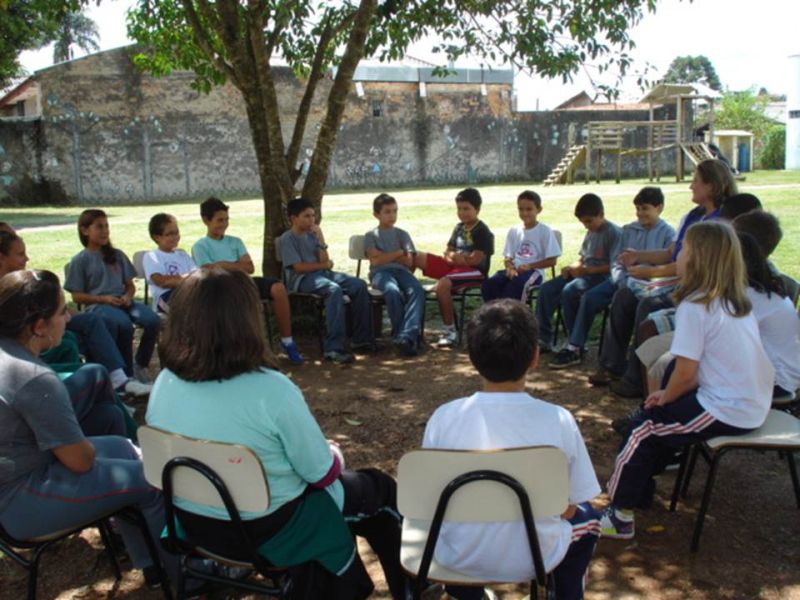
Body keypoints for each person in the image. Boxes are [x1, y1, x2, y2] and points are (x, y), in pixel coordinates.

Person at [146, 268, 406, 599]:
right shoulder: (271, 389)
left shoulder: (165, 381)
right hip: (270, 529)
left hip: (195, 524)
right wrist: (334, 453)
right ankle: (409, 588)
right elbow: (320, 473)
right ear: (246, 321)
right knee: (379, 491)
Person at [601, 221, 774, 539]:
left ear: (697, 260)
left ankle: (618, 514)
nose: (677, 255)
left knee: (644, 429)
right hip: (749, 401)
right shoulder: (732, 301)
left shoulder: (696, 307)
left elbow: (687, 373)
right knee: (656, 410)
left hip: (728, 408)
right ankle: (640, 489)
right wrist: (668, 394)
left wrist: (665, 397)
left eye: (683, 250)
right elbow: (704, 367)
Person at [0, 270, 173, 583]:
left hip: (18, 477)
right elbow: (80, 461)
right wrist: (90, 449)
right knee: (152, 480)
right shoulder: (35, 378)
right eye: (62, 311)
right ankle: (187, 577)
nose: (68, 319)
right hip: (19, 501)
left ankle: (151, 564)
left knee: (121, 445)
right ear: (38, 327)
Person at [422, 299, 601, 600]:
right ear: (535, 357)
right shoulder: (558, 420)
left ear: (472, 357)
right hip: (535, 556)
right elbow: (571, 505)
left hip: (457, 557)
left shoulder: (443, 417)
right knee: (589, 519)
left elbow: (431, 498)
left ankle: (466, 594)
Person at [592, 159, 736, 395]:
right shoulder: (693, 216)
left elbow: (693, 267)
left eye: (695, 181)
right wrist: (638, 256)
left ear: (711, 186)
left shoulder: (721, 223)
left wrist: (648, 272)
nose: (690, 186)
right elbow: (671, 254)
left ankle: (637, 379)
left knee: (647, 306)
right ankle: (612, 366)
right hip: (673, 283)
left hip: (695, 291)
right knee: (624, 296)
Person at [0, 228, 150, 398]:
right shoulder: (10, 288)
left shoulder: (20, 278)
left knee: (92, 322)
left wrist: (65, 314)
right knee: (72, 340)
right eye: (20, 254)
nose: (27, 258)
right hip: (24, 338)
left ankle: (118, 380)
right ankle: (101, 390)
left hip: (45, 323)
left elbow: (52, 306)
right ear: (1, 257)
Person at [550, 188, 674, 370]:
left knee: (606, 299)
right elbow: (617, 262)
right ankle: (575, 346)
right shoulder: (629, 231)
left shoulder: (668, 233)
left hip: (649, 284)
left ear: (659, 208)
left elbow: (666, 265)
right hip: (620, 281)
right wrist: (622, 281)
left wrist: (640, 279)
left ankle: (612, 359)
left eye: (645, 208)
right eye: (638, 209)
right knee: (582, 295)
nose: (640, 213)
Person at [192, 197, 304, 364]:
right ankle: (251, 348)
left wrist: (222, 264)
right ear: (206, 220)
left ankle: (287, 340)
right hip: (220, 287)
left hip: (243, 281)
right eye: (219, 220)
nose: (224, 224)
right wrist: (236, 265)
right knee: (241, 299)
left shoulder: (235, 241)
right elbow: (209, 270)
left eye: (226, 220)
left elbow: (249, 267)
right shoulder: (200, 246)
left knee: (278, 288)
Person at [64, 209, 161, 383]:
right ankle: (126, 375)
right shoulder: (80, 260)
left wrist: (128, 296)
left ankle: (140, 364)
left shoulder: (117, 255)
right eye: (99, 227)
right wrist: (103, 299)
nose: (105, 231)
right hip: (100, 305)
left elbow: (130, 285)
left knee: (152, 320)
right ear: (85, 230)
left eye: (107, 226)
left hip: (124, 301)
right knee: (123, 324)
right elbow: (76, 296)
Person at [279, 197, 375, 364]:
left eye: (313, 216)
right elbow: (298, 267)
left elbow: (326, 260)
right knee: (333, 290)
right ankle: (333, 348)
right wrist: (323, 264)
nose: (311, 220)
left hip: (322, 273)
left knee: (358, 285)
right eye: (306, 216)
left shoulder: (313, 234)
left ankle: (362, 339)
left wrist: (321, 240)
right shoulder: (287, 239)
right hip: (301, 279)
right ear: (294, 219)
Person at [536, 193, 621, 361]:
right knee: (547, 289)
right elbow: (583, 258)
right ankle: (543, 338)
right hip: (585, 274)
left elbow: (614, 266)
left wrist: (586, 271)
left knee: (570, 291)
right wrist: (571, 267)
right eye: (583, 222)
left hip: (601, 278)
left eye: (589, 221)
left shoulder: (614, 233)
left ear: (601, 214)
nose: (586, 226)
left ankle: (575, 345)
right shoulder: (591, 232)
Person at [414, 187, 494, 348]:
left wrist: (457, 259)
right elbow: (448, 251)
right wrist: (454, 258)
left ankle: (449, 331)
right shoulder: (459, 228)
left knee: (443, 285)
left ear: (477, 209)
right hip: (455, 267)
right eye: (459, 209)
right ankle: (409, 299)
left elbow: (476, 260)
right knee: (414, 256)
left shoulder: (482, 231)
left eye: (466, 209)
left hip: (475, 273)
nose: (462, 213)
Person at [364, 193, 425, 357]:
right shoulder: (370, 236)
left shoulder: (402, 234)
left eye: (395, 211)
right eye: (387, 212)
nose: (392, 215)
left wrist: (384, 255)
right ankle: (401, 337)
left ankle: (407, 335)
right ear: (377, 215)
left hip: (402, 271)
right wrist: (398, 252)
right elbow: (375, 262)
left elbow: (409, 262)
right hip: (380, 273)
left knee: (417, 290)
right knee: (391, 291)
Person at [480, 189, 560, 302]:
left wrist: (530, 266)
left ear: (539, 210)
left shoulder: (545, 231)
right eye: (521, 209)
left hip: (534, 272)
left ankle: (514, 316)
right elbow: (508, 257)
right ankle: (494, 315)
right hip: (514, 270)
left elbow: (552, 261)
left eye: (529, 209)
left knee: (515, 286)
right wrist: (510, 267)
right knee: (489, 284)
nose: (524, 213)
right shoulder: (514, 230)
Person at [143, 213, 197, 313]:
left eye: (176, 233)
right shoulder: (152, 256)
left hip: (187, 293)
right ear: (157, 237)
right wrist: (189, 278)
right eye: (169, 234)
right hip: (165, 298)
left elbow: (197, 276)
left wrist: (182, 280)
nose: (175, 237)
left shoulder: (183, 255)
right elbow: (163, 282)